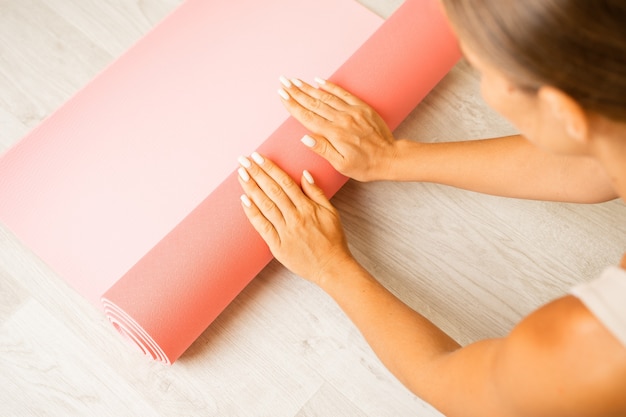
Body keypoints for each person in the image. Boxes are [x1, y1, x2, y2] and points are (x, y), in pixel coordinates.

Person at [237, 1, 626, 415]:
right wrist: (390, 158)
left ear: (563, 112)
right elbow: (596, 162)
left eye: (482, 69)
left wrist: (328, 266)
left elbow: (450, 380)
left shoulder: (595, 348)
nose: (482, 86)